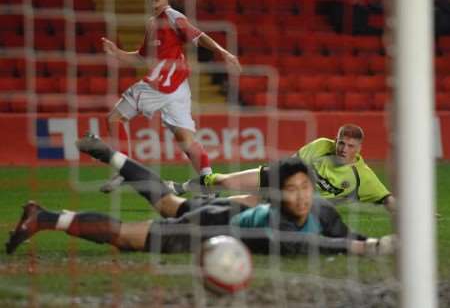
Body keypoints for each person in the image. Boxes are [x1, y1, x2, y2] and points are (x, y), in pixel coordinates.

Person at [6, 135, 395, 257]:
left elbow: (342, 234)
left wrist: (371, 242)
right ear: (278, 198)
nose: (301, 197)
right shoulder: (281, 226)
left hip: (225, 212)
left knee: (168, 202)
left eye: (304, 190)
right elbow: (328, 246)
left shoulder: (322, 211)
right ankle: (44, 217)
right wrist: (374, 247)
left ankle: (111, 155)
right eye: (291, 191)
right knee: (129, 236)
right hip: (208, 228)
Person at [100, 0, 241, 193]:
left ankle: (124, 171)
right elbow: (141, 58)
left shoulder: (172, 16)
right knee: (186, 139)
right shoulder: (151, 23)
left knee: (114, 118)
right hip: (178, 88)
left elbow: (198, 36)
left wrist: (223, 53)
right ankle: (209, 185)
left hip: (160, 86)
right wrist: (116, 52)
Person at [169, 124, 396, 213]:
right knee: (225, 182)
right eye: (341, 143)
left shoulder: (362, 175)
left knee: (231, 205)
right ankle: (184, 185)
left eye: (350, 146)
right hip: (280, 176)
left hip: (293, 199)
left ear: (359, 148)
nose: (343, 149)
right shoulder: (321, 146)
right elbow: (291, 163)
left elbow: (387, 198)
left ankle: (190, 206)